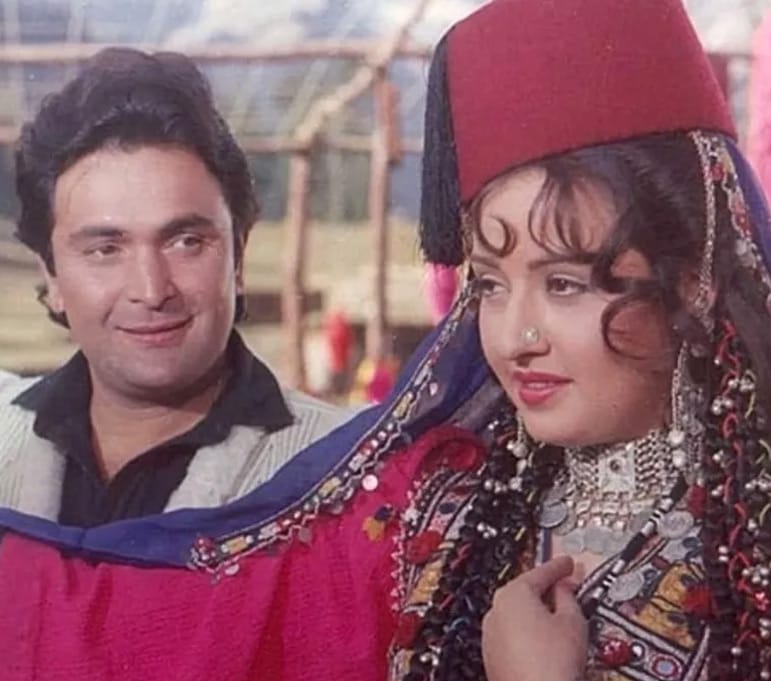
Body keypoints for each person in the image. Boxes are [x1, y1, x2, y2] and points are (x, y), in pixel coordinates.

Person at [1, 3, 770, 681]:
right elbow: (148, 628)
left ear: (692, 280)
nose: (516, 337)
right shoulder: (432, 509)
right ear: (50, 273)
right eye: (489, 284)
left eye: (565, 283)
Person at [0, 47, 348, 526]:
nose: (151, 290)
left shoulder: (342, 470)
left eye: (186, 242)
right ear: (52, 276)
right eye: (105, 250)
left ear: (238, 256)